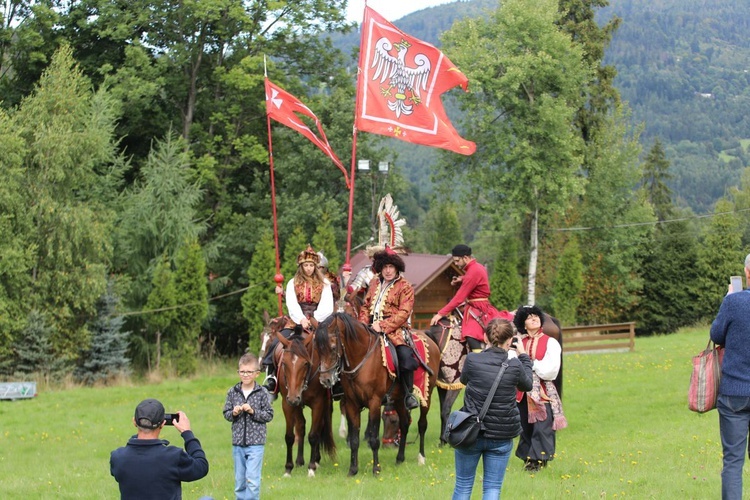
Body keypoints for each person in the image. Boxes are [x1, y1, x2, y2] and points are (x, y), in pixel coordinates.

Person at [452, 318, 533, 500]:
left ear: (484, 337)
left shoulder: (472, 359)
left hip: (470, 431)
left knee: (463, 485)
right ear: (511, 339)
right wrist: (524, 356)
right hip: (501, 434)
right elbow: (527, 385)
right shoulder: (514, 365)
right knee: (492, 488)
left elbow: (464, 380)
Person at [262, 244, 334, 392]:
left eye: (311, 265)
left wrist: (314, 319)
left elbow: (327, 305)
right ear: (301, 266)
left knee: (331, 345)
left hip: (318, 320)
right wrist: (301, 319)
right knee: (276, 342)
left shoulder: (325, 284)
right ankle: (271, 376)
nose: (309, 268)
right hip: (296, 321)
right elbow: (292, 304)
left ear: (315, 266)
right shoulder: (292, 283)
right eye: (306, 265)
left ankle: (336, 379)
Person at [358, 247, 420, 410]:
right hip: (370, 328)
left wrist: (383, 326)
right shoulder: (373, 283)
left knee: (405, 358)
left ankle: (408, 394)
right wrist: (363, 325)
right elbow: (365, 306)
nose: (387, 270)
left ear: (397, 267)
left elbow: (404, 312)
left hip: (396, 330)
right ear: (380, 268)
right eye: (384, 267)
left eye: (391, 267)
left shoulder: (405, 286)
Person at [110, 399, 209, 499]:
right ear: (163, 423)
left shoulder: (117, 457)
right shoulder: (173, 457)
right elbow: (201, 466)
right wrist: (187, 432)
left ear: (134, 421)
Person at [710, 253, 750, 500]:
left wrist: (728, 299)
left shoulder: (734, 302)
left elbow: (716, 335)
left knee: (733, 463)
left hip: (734, 393)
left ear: (747, 273)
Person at [513, 304, 566, 472]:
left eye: (536, 315)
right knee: (525, 426)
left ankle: (539, 461)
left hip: (543, 392)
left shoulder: (550, 342)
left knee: (542, 427)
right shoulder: (517, 343)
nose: (534, 318)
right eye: (529, 317)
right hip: (522, 392)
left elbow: (551, 371)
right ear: (523, 323)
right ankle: (528, 459)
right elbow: (511, 364)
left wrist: (529, 363)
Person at [430, 244, 512, 353]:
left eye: (457, 260)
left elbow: (459, 298)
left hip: (477, 309)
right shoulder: (477, 267)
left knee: (470, 334)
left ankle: (478, 361)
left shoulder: (473, 271)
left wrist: (440, 313)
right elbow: (475, 279)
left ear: (465, 258)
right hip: (477, 307)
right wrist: (461, 279)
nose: (456, 264)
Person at [223, 352, 274, 500]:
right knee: (240, 482)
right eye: (242, 372)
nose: (245, 375)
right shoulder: (233, 392)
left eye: (249, 372)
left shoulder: (262, 392)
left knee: (252, 481)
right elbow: (226, 413)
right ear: (238, 372)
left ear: (257, 373)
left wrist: (252, 411)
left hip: (256, 445)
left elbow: (269, 415)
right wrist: (233, 413)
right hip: (238, 444)